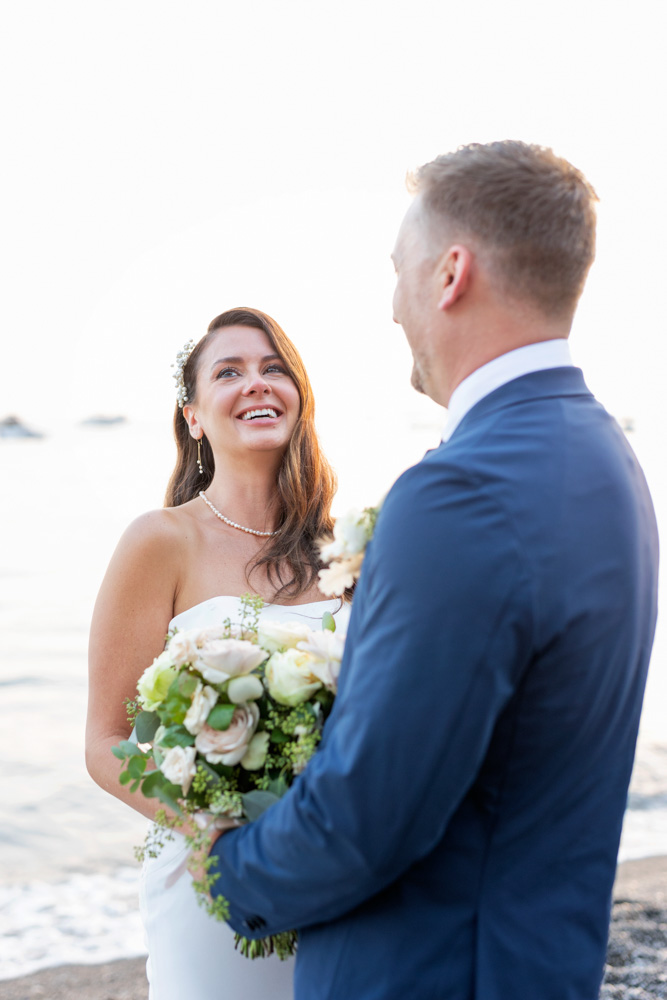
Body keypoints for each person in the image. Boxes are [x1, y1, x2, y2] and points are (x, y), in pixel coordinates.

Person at [206, 143, 659, 999]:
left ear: (450, 272)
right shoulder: (606, 459)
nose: (391, 308)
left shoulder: (461, 492)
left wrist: (230, 873)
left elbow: (365, 817)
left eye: (397, 270)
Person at [86, 306, 349, 1000]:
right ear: (194, 417)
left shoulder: (345, 553)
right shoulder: (161, 541)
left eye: (273, 369)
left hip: (336, 873)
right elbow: (106, 740)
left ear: (299, 397)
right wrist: (210, 830)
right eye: (228, 372)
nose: (255, 384)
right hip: (213, 877)